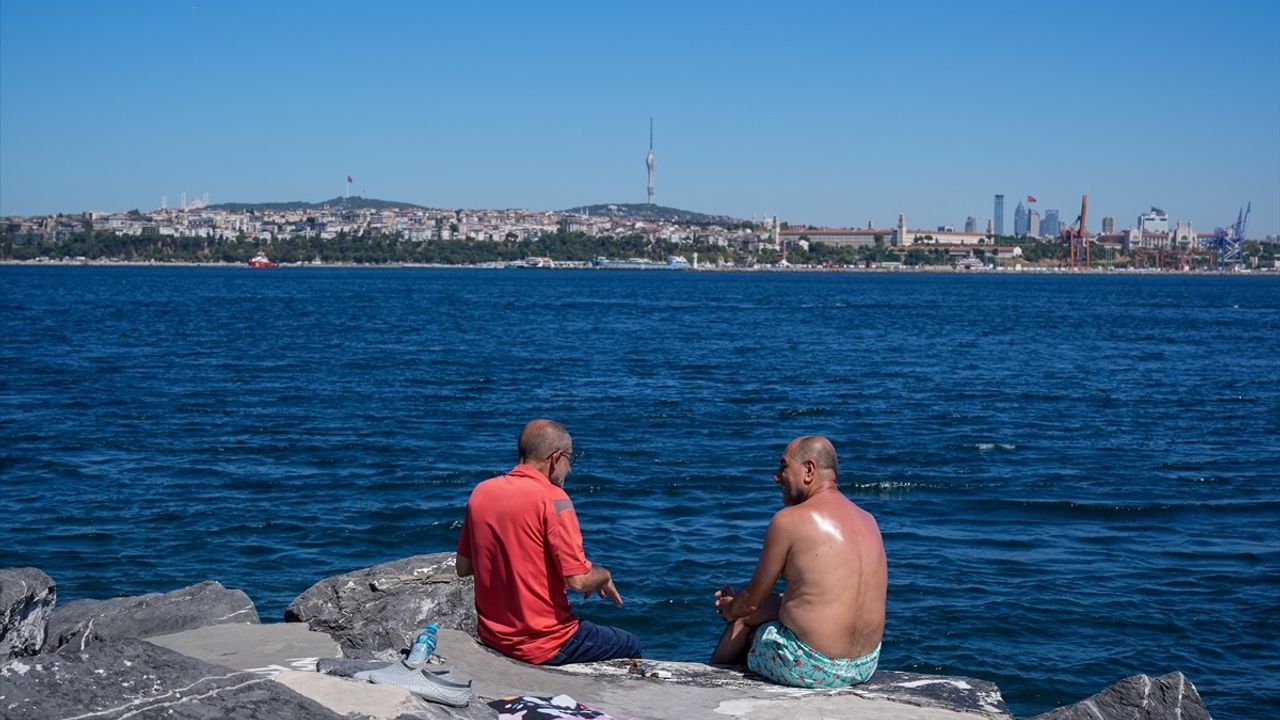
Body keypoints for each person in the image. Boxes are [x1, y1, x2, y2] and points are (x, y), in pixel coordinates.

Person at [455, 419, 641, 665]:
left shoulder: (482, 491)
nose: (570, 470)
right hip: (545, 644)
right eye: (570, 460)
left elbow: (464, 568)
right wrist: (604, 575)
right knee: (630, 644)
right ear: (556, 457)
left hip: (494, 637)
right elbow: (578, 580)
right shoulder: (554, 499)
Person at [711, 435, 887, 689]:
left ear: (809, 470)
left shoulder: (788, 520)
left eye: (783, 466)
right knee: (782, 601)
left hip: (812, 666)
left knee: (742, 620)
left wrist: (729, 609)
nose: (776, 477)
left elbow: (751, 603)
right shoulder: (869, 520)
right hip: (865, 665)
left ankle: (710, 688)